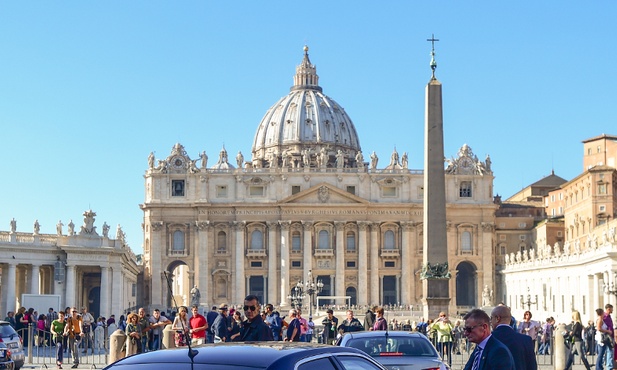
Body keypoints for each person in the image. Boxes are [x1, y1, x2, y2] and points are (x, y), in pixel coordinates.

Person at [490, 305, 537, 370]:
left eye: (491, 318)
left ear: (497, 318)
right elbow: (532, 367)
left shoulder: (488, 338)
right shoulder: (526, 340)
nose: (490, 322)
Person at [595, 305, 614, 370]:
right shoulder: (600, 319)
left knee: (603, 353)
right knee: (601, 353)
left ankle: (600, 366)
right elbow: (599, 328)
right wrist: (607, 331)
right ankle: (598, 367)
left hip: (605, 338)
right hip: (602, 338)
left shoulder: (602, 318)